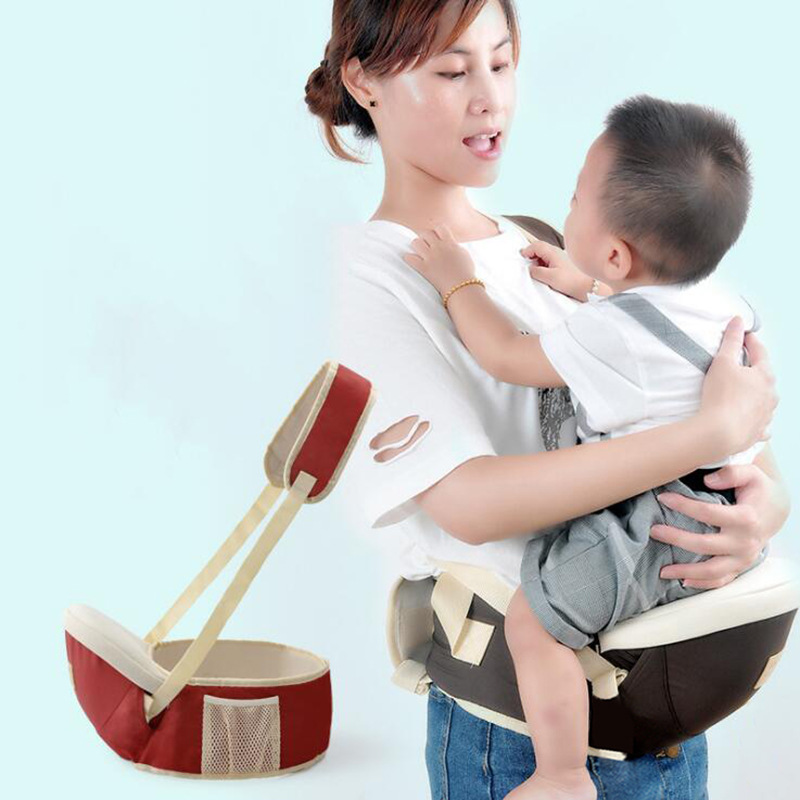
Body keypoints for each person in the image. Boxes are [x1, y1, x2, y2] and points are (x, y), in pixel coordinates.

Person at [305, 1, 789, 797]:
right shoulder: (373, 275)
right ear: (363, 82)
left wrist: (752, 517)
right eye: (453, 71)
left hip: (670, 730)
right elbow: (469, 504)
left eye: (502, 62)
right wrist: (708, 436)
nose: (490, 98)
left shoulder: (556, 247)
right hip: (517, 744)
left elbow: (746, 452)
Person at [402, 93, 767, 800]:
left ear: (617, 254)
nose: (565, 208)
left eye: (575, 199)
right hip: (713, 503)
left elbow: (506, 354)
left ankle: (562, 774)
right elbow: (648, 319)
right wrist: (588, 283)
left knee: (533, 624)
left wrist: (457, 279)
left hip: (655, 523)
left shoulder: (609, 336)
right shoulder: (724, 303)